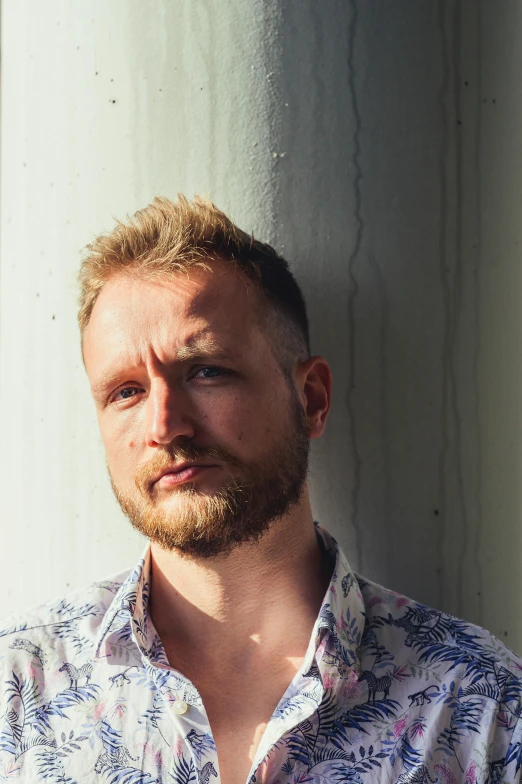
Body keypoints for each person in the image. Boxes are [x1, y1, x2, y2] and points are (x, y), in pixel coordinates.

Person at [0, 197, 521, 784]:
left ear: (311, 399)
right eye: (125, 391)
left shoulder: (479, 707)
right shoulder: (18, 691)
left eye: (206, 371)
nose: (164, 425)